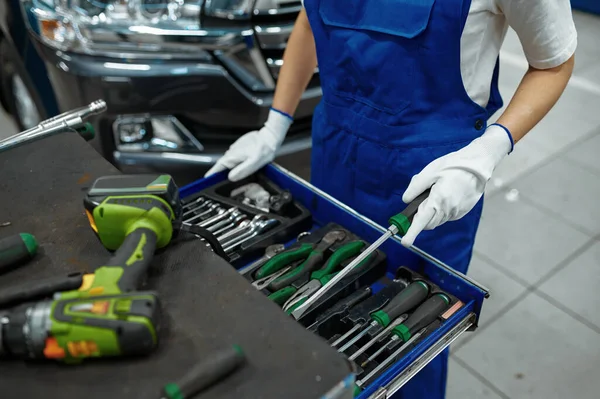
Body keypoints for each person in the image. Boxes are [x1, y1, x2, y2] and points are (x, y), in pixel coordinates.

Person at [207, 0, 577, 397]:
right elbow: (309, 20)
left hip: (429, 188)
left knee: (408, 345)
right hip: (336, 159)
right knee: (311, 324)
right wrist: (276, 123)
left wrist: (491, 147)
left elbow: (554, 62)